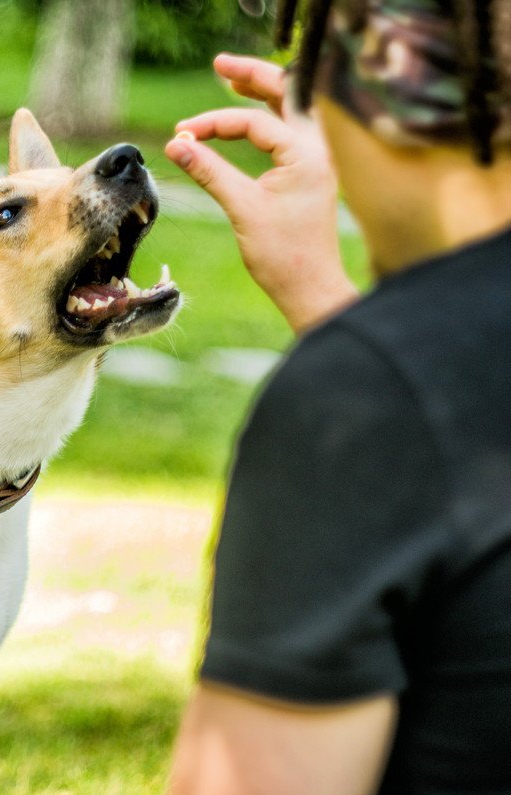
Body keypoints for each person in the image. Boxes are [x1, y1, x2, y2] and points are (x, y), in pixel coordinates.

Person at [160, 0, 511, 791]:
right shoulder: (405, 399)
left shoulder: (361, 410)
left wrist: (365, 377)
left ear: (389, 61)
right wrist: (318, 291)